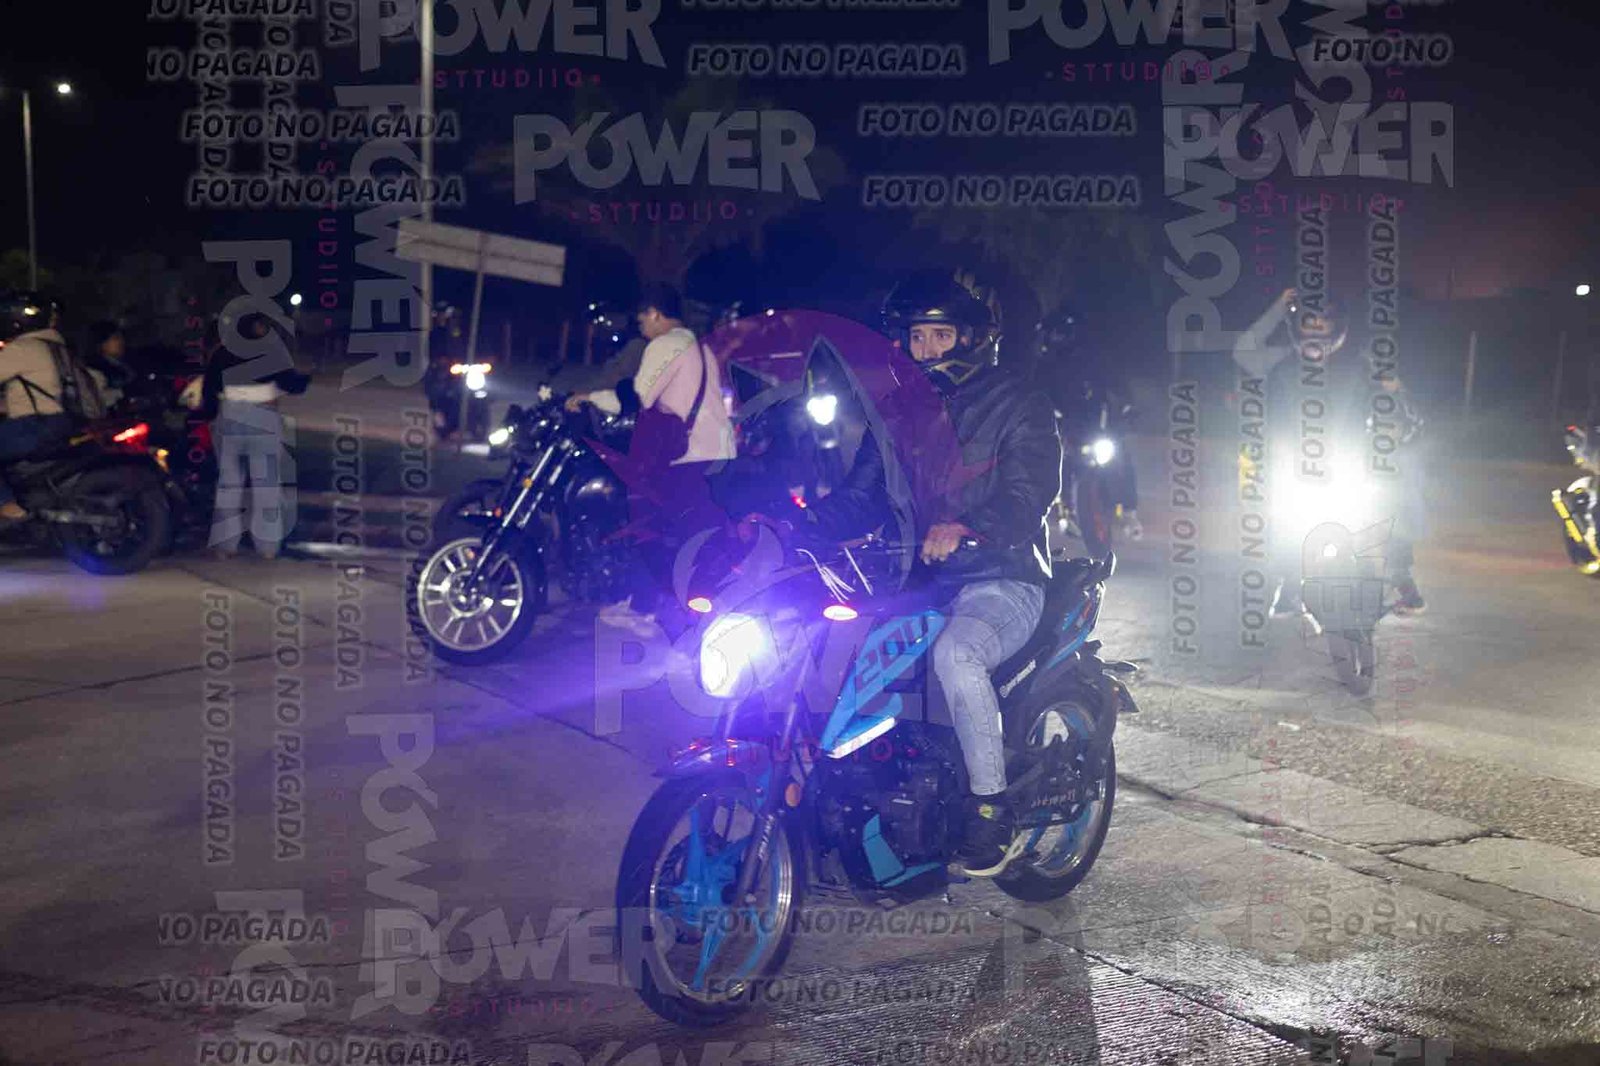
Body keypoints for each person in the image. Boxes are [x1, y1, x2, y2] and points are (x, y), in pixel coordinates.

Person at [765, 271, 1062, 877]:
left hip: (1002, 576)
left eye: (940, 336)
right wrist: (790, 525)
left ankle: (991, 808)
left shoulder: (1019, 404)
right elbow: (862, 497)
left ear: (970, 338)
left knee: (957, 655)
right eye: (916, 338)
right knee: (838, 651)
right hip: (919, 581)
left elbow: (1028, 494)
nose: (926, 350)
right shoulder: (898, 414)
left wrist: (966, 526)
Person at [567, 285, 738, 635]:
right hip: (717, 453)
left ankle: (645, 608)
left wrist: (589, 398)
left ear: (656, 314)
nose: (641, 326)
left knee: (644, 526)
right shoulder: (701, 347)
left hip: (686, 455)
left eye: (642, 319)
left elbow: (639, 398)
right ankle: (681, 609)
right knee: (689, 534)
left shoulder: (663, 345)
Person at [1233, 286, 1368, 617]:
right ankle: (1291, 584)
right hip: (1291, 463)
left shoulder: (1359, 368)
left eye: (1322, 324)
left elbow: (1376, 411)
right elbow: (1243, 351)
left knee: (1360, 515)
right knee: (1284, 521)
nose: (1315, 332)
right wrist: (1280, 307)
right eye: (1308, 324)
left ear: (1337, 327)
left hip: (1341, 464)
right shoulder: (1279, 364)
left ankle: (1364, 581)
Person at [198, 312, 310, 559]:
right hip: (263, 416)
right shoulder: (270, 352)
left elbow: (209, 390)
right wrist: (306, 379)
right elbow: (292, 383)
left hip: (229, 415)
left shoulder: (222, 353)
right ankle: (267, 547)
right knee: (266, 484)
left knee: (229, 483)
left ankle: (225, 545)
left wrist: (209, 415)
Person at [1033, 304, 1142, 542]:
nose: (1055, 338)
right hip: (1064, 427)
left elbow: (1116, 383)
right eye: (1051, 333)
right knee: (1052, 461)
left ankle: (1129, 511)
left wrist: (1128, 407)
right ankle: (1062, 508)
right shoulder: (1043, 365)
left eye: (1059, 333)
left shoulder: (1093, 359)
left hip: (1098, 424)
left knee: (1120, 455)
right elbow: (1034, 396)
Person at [0, 292, 82, 524]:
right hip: (62, 422)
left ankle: (6, 503)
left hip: (33, 427)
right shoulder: (57, 347)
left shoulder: (24, 348)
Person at [1376, 373, 1427, 614]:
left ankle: (1409, 594)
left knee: (1395, 543)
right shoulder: (1363, 402)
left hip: (1394, 499)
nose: (1389, 430)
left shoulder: (1405, 453)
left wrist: (1399, 392)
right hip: (1362, 486)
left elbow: (1417, 423)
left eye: (1394, 426)